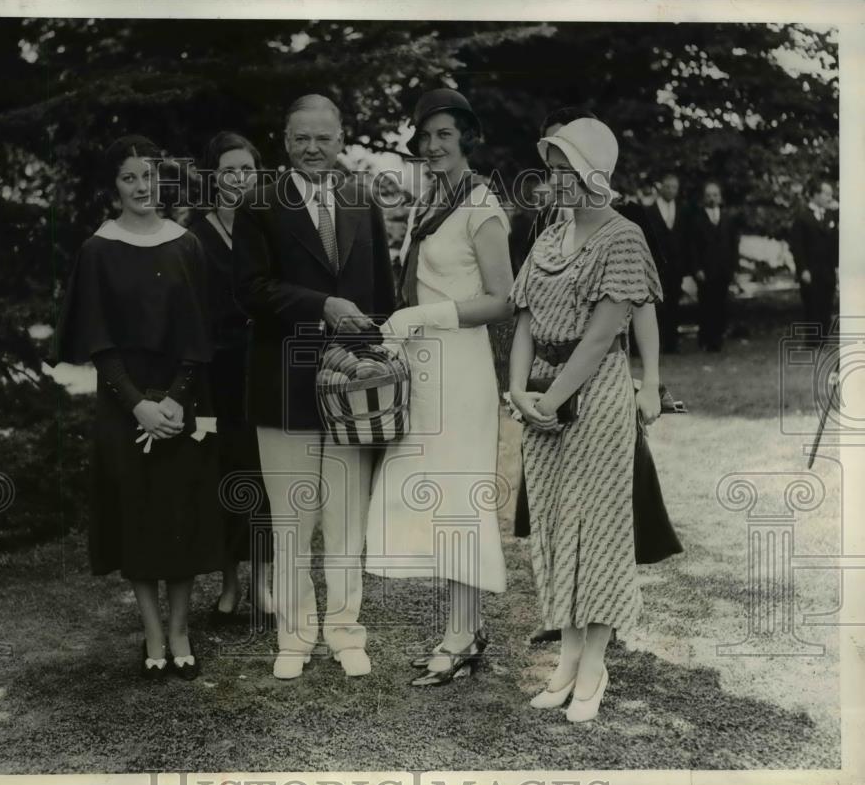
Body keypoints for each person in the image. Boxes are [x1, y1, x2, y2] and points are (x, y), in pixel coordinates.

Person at [232, 95, 396, 680]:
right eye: (301, 138)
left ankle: (346, 633)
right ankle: (295, 638)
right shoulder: (259, 203)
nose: (312, 148)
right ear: (285, 140)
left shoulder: (361, 200)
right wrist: (321, 305)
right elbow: (249, 290)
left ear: (341, 139)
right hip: (284, 382)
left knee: (348, 519)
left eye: (323, 138)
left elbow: (383, 293)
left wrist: (378, 360)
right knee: (292, 521)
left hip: (355, 387)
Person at [50, 135, 224, 681]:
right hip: (123, 403)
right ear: (114, 186)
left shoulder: (185, 244)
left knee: (180, 515)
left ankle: (180, 631)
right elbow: (98, 342)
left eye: (149, 176)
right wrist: (138, 407)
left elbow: (199, 333)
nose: (142, 187)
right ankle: (152, 633)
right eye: (130, 178)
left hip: (182, 401)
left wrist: (173, 400)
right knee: (138, 518)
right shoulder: (97, 250)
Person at [509, 118, 662, 722]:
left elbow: (602, 337)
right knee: (553, 525)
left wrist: (551, 400)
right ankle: (568, 657)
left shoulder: (623, 237)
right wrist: (518, 390)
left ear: (594, 173)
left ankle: (594, 663)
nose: (554, 181)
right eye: (551, 170)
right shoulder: (549, 237)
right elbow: (523, 319)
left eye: (565, 170)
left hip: (594, 398)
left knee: (597, 529)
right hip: (541, 394)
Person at [365, 88, 514, 686]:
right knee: (438, 497)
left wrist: (424, 317)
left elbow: (502, 300)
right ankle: (465, 629)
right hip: (424, 368)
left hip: (461, 368)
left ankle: (459, 637)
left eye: (444, 135)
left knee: (459, 498)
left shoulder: (482, 205)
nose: (432, 147)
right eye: (424, 137)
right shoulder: (430, 202)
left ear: (466, 138)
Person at [190, 131, 274, 626]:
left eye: (247, 169)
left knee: (265, 475)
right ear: (213, 178)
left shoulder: (272, 225)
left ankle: (262, 582)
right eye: (229, 170)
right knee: (225, 474)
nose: (239, 179)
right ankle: (228, 583)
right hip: (217, 375)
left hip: (265, 366)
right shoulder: (195, 236)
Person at [689, 179, 740, 352]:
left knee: (721, 304)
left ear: (720, 197)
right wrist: (696, 268)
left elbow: (734, 244)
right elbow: (693, 246)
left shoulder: (728, 218)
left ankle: (717, 339)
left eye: (715, 195)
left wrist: (734, 268)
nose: (712, 198)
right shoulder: (697, 219)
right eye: (709, 195)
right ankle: (706, 338)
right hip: (705, 270)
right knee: (706, 304)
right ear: (704, 198)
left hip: (723, 269)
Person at [643, 172, 689, 354]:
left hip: (676, 267)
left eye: (674, 187)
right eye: (668, 186)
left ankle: (672, 343)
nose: (671, 190)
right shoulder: (649, 211)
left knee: (674, 303)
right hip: (656, 266)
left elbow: (686, 240)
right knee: (657, 305)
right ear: (661, 187)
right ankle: (656, 342)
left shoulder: (683, 210)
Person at [789, 178, 838, 336]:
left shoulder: (830, 216)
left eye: (831, 195)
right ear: (815, 195)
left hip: (828, 271)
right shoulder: (803, 218)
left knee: (826, 306)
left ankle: (823, 339)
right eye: (826, 194)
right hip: (811, 271)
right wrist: (803, 269)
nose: (830, 198)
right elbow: (797, 247)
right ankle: (813, 341)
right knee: (812, 307)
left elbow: (835, 243)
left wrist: (837, 267)